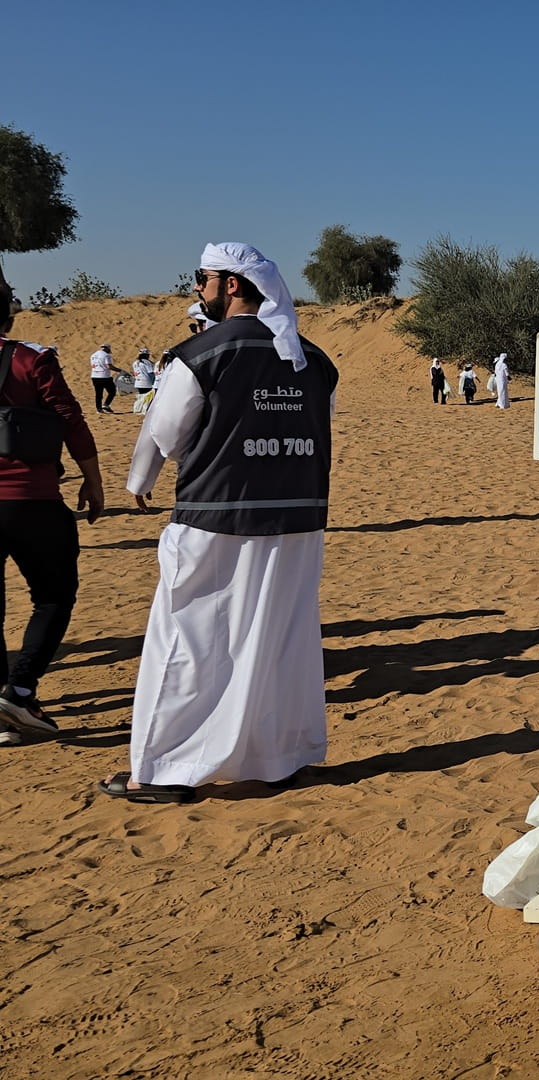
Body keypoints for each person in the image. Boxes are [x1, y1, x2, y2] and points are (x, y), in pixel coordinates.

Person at [106, 242, 338, 801]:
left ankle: (159, 772)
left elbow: (164, 433)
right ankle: (276, 758)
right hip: (299, 519)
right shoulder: (314, 359)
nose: (196, 287)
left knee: (187, 640)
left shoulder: (201, 353)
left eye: (201, 277)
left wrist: (139, 482)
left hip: (216, 517)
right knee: (279, 640)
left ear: (231, 284)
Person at [0, 272, 105, 743]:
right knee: (53, 597)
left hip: (28, 501)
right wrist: (93, 480)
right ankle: (20, 691)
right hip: (32, 500)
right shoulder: (31, 358)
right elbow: (69, 418)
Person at [89, 344, 125, 412]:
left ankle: (99, 409)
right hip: (104, 376)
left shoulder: (93, 355)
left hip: (94, 376)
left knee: (98, 393)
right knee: (112, 391)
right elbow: (109, 366)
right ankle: (106, 404)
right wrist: (120, 370)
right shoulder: (106, 355)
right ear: (107, 349)